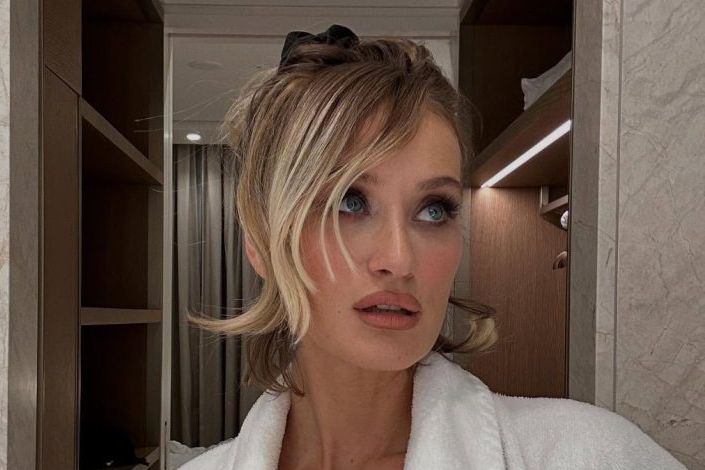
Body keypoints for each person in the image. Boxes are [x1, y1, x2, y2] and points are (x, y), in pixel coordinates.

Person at [179, 25, 685, 470]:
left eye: (434, 210)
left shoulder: (590, 454)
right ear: (262, 240)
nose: (399, 260)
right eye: (349, 202)